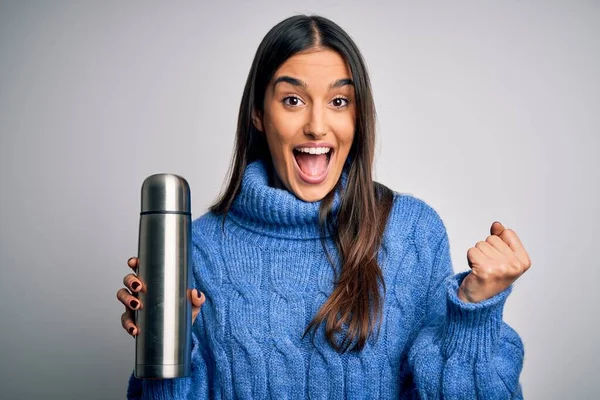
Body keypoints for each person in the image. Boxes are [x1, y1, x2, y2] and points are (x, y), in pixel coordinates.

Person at [117, 14, 531, 399]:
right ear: (259, 114)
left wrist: (473, 314)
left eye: (338, 102)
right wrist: (164, 358)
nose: (317, 125)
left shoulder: (411, 232)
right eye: (293, 100)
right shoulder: (202, 245)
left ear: (358, 117)